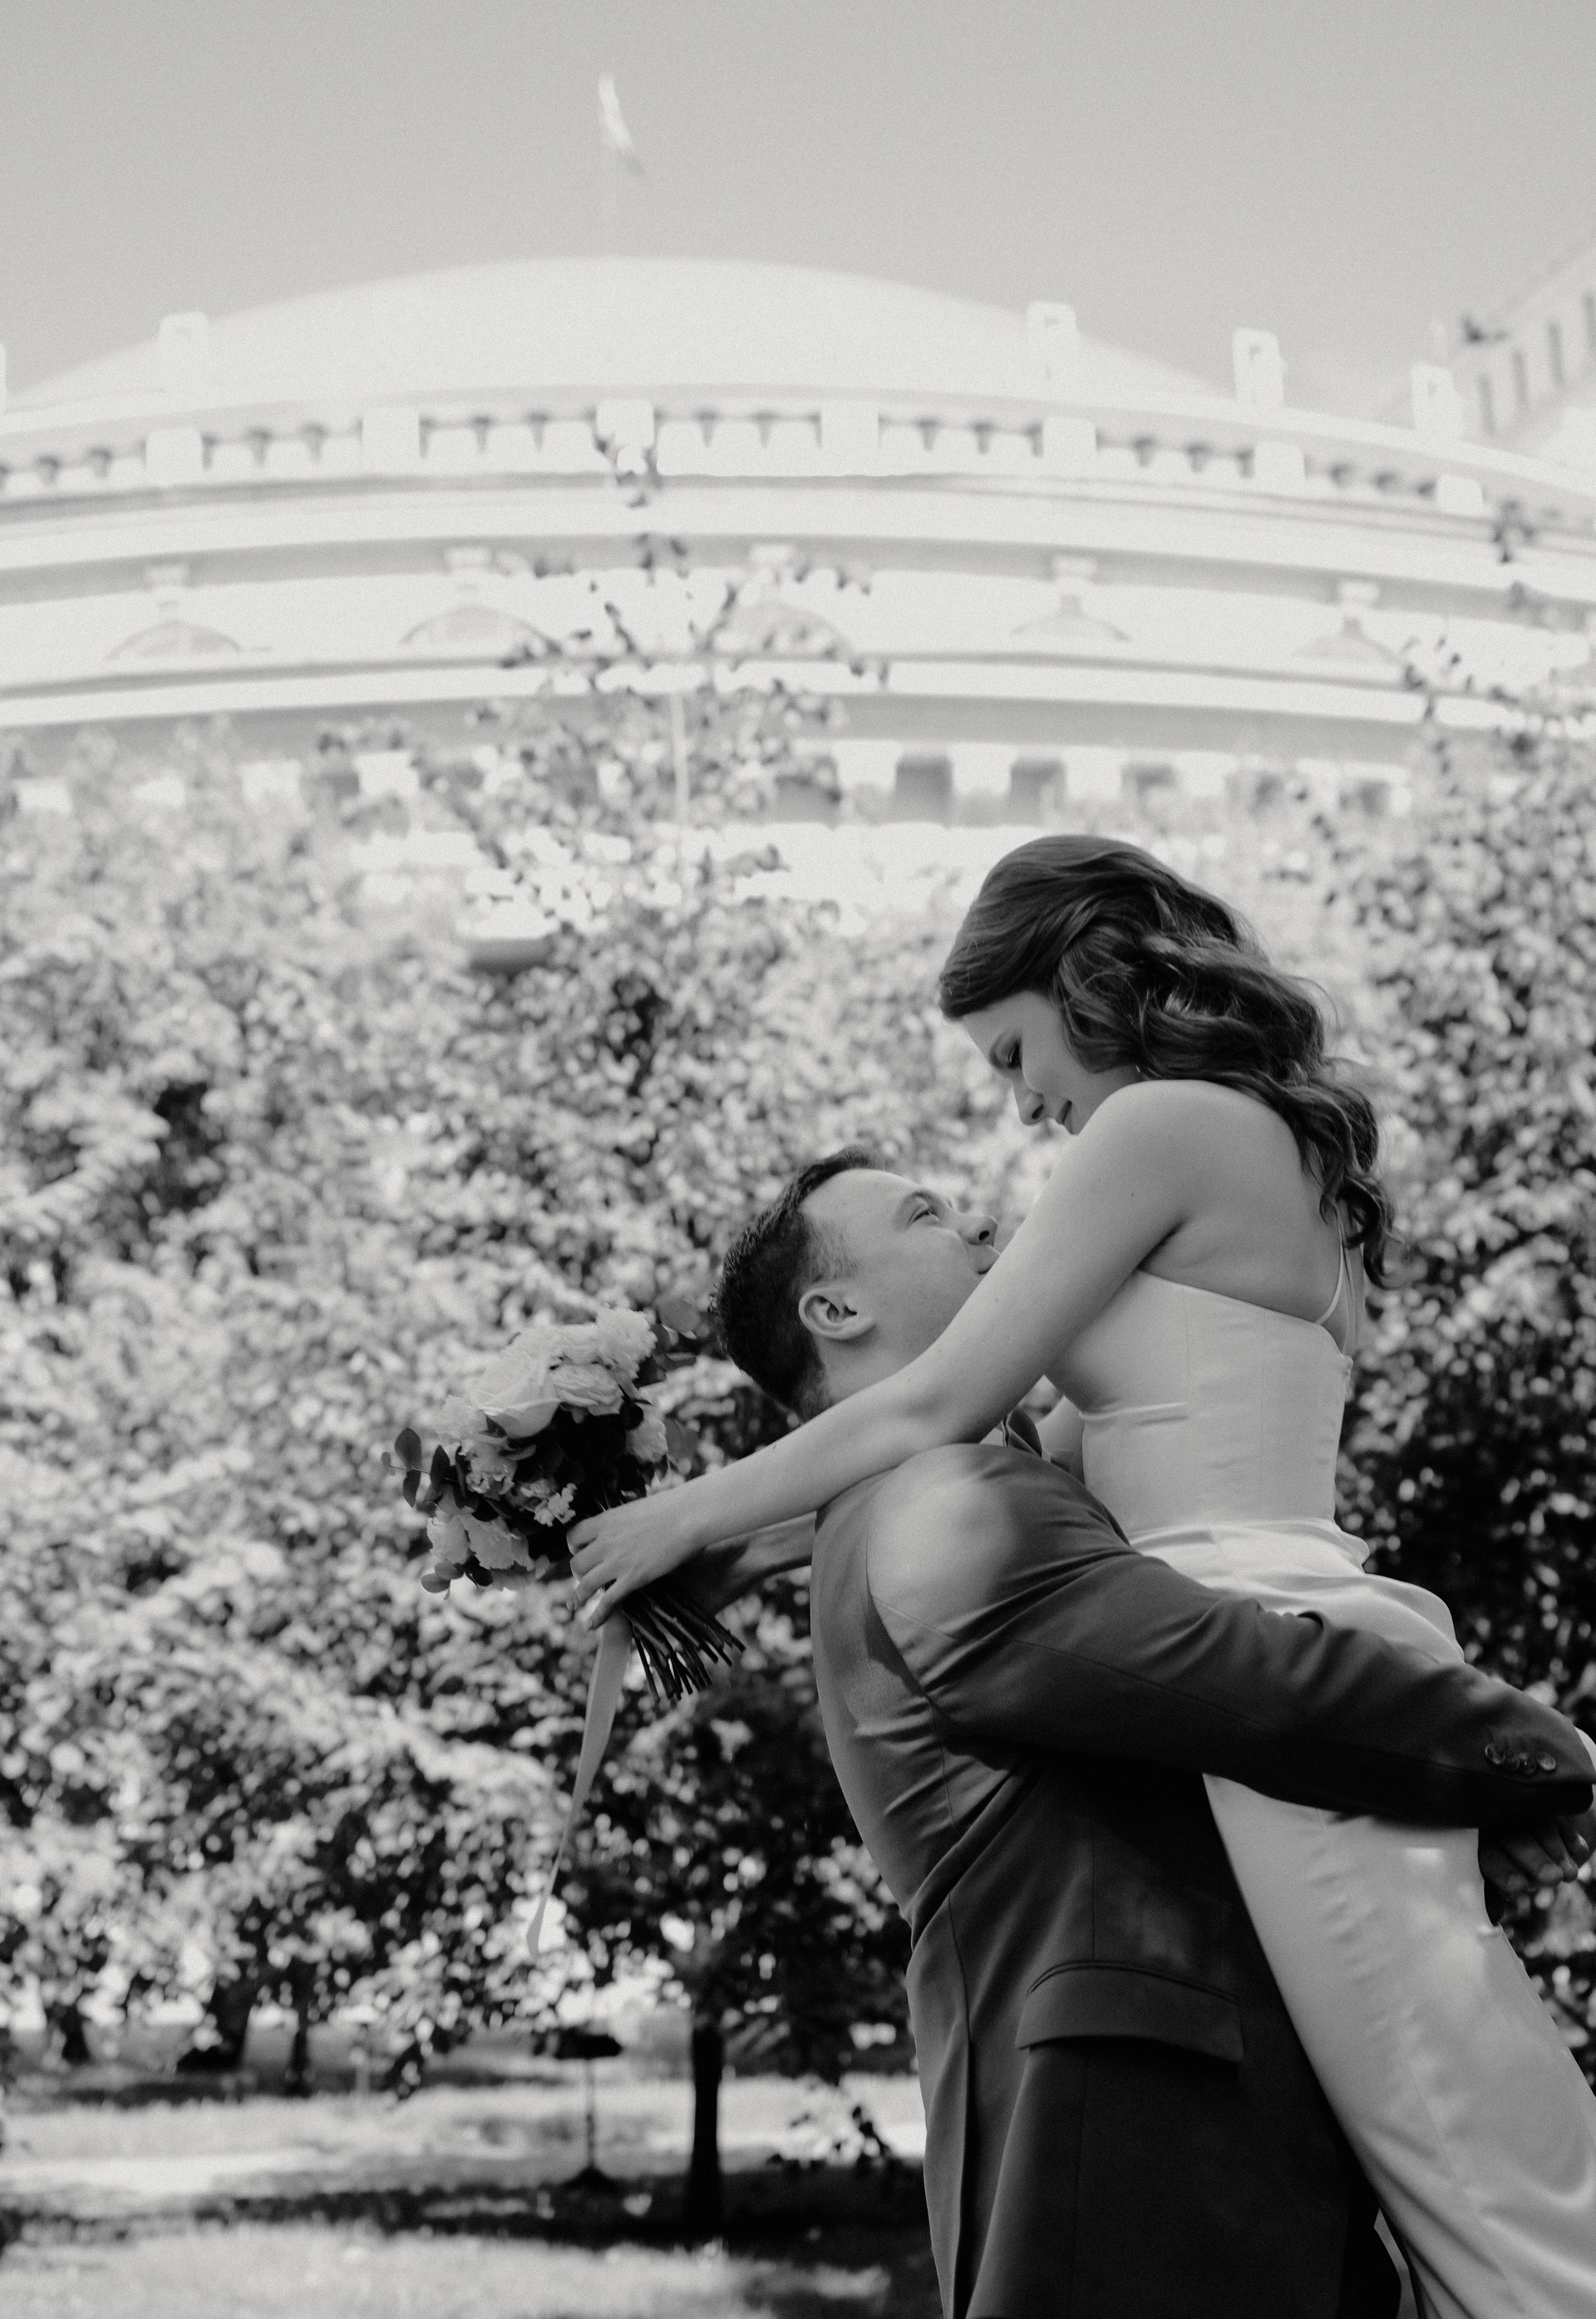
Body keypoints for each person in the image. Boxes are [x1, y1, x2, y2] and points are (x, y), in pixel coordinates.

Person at [570, 836, 1596, 2319]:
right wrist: (718, 1563)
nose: (1021, 1104)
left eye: (1011, 1053)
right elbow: (1028, 1449)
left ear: (1084, 976)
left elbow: (942, 1407)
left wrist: (681, 1514)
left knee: (1468, 2169)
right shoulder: (1253, 1149)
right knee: (1446, 2150)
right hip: (1272, 1621)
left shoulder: (1159, 1126)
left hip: (1251, 1653)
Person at [687, 1150, 1594, 2319]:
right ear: (836, 1310)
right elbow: (1250, 1682)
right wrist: (1536, 1757)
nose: (983, 1230)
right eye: (926, 1216)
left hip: (1166, 2143)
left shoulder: (908, 1501)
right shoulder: (941, 1508)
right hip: (1134, 2153)